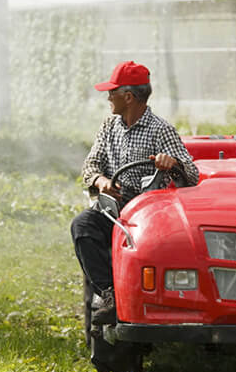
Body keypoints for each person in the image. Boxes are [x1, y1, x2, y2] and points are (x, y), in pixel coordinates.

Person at [71, 60, 199, 333]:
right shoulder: (109, 127)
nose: (108, 98)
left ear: (128, 97)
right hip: (116, 210)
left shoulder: (160, 130)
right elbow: (90, 166)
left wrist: (172, 162)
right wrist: (101, 180)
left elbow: (192, 174)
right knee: (82, 226)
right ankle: (109, 294)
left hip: (151, 214)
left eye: (112, 92)